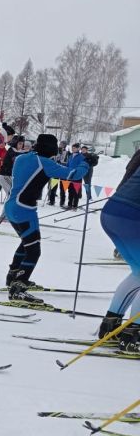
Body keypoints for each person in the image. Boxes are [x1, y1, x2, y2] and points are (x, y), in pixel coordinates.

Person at [3, 134, 88, 303]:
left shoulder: (23, 158)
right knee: (34, 250)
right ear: (51, 149)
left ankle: (13, 276)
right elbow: (74, 174)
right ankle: (18, 288)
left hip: (11, 207)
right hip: (25, 210)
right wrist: (87, 162)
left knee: (26, 242)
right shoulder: (45, 163)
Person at [97, 148, 140, 351]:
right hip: (132, 215)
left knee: (138, 273)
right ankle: (134, 334)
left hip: (113, 211)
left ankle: (110, 324)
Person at [0, 136, 27, 202]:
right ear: (15, 143)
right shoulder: (11, 151)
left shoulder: (23, 152)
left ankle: (9, 208)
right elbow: (11, 161)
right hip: (5, 176)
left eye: (22, 144)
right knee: (12, 194)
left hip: (15, 177)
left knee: (13, 196)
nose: (21, 145)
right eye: (20, 143)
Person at [47, 140, 69, 206]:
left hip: (63, 172)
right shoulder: (56, 151)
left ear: (65, 145)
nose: (61, 145)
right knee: (53, 187)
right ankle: (51, 201)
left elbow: (66, 162)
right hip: (56, 171)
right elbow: (52, 159)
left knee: (63, 188)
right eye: (60, 144)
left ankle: (62, 202)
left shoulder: (67, 153)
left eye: (62, 144)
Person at [66, 143, 85, 210]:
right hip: (70, 176)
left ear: (78, 148)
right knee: (70, 191)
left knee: (76, 191)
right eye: (72, 148)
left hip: (77, 177)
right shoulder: (71, 156)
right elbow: (67, 165)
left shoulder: (81, 157)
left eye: (74, 148)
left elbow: (82, 167)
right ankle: (69, 205)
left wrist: (77, 173)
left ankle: (75, 206)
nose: (73, 149)